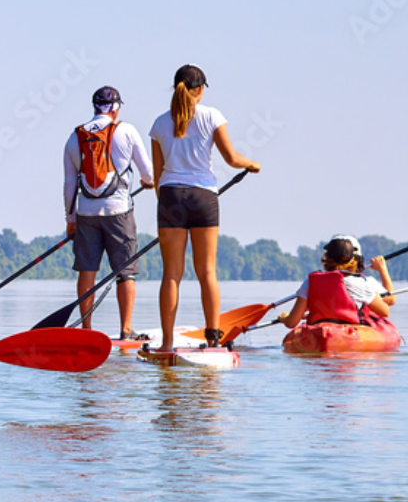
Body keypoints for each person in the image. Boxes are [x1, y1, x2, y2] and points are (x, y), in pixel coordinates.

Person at [149, 64, 260, 351]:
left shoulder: (159, 124)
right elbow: (232, 159)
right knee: (207, 271)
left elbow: (157, 175)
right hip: (203, 198)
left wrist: (168, 205)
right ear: (199, 89)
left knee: (171, 273)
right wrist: (252, 163)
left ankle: (167, 344)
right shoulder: (213, 115)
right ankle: (213, 340)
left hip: (171, 197)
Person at [64, 85, 155, 340]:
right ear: (116, 108)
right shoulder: (126, 130)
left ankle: (86, 330)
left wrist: (71, 221)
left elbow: (70, 184)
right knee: (125, 272)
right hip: (119, 212)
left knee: (87, 271)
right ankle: (126, 330)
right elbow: (148, 173)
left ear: (94, 107)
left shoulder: (75, 137)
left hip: (86, 213)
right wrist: (148, 183)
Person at [278, 235, 395, 328]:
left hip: (318, 332)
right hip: (350, 333)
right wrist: (375, 295)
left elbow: (291, 323)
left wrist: (284, 318)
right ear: (353, 259)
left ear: (326, 258)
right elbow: (385, 312)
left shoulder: (309, 282)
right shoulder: (361, 283)